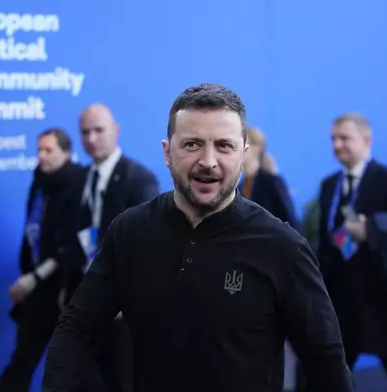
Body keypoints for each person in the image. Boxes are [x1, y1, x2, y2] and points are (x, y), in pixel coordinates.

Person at [42, 83, 353, 392]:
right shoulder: (130, 232)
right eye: (192, 144)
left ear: (244, 155)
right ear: (167, 152)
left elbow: (324, 360)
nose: (208, 160)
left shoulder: (281, 246)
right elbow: (78, 328)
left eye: (224, 145)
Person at [315, 113, 387, 392]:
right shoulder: (330, 186)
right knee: (327, 375)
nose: (337, 145)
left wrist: (371, 230)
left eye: (344, 138)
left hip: (381, 300)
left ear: (366, 139)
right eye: (333, 139)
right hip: (341, 302)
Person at [76, 103, 159, 392]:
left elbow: (149, 246)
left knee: (123, 382)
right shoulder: (81, 179)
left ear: (116, 130)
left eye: (99, 130)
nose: (91, 138)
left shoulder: (139, 179)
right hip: (87, 305)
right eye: (85, 132)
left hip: (123, 311)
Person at [0, 128, 83, 392]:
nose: (42, 156)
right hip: (36, 290)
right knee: (20, 364)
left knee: (71, 369)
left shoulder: (80, 183)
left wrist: (35, 278)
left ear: (66, 153)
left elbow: (71, 240)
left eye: (48, 150)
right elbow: (32, 231)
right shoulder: (39, 181)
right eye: (39, 150)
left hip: (66, 288)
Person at [240, 127, 299, 230]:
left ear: (257, 149)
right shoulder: (239, 187)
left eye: (243, 144)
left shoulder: (272, 182)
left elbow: (291, 221)